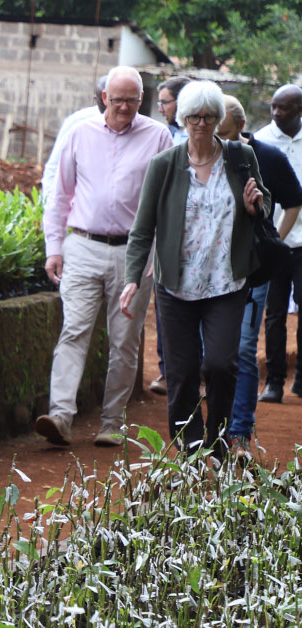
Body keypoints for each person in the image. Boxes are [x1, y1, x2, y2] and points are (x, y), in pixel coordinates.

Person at [122, 81, 270, 453]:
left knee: (221, 364)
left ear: (219, 119)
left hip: (226, 282)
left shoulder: (240, 157)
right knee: (182, 372)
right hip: (175, 286)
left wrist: (256, 205)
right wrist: (132, 280)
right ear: (183, 119)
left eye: (208, 116)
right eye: (193, 117)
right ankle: (189, 449)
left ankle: (218, 442)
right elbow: (142, 229)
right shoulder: (164, 166)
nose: (201, 124)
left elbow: (260, 202)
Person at [35, 66, 173, 448]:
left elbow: (166, 202)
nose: (123, 106)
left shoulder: (159, 136)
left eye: (131, 99)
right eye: (117, 99)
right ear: (104, 98)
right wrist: (54, 248)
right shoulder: (80, 132)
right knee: (73, 330)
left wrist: (153, 257)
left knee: (124, 340)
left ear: (141, 100)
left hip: (134, 252)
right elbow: (60, 194)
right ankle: (60, 416)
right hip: (82, 245)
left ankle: (112, 421)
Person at [217, 94, 302, 454]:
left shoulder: (266, 156)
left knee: (247, 345)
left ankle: (239, 433)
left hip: (259, 263)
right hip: (211, 271)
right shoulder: (199, 155)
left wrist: (272, 242)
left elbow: (293, 201)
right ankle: (215, 430)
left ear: (239, 126)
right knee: (219, 353)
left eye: (222, 131)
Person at [256, 84, 302, 403]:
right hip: (273, 243)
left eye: (283, 108)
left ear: (299, 110)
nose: (276, 113)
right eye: (273, 106)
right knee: (273, 313)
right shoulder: (260, 141)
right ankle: (273, 381)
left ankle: (301, 378)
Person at [149, 75, 193, 396]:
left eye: (165, 101)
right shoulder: (160, 136)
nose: (161, 108)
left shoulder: (204, 138)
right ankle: (168, 371)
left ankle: (198, 371)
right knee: (166, 304)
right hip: (166, 234)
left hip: (201, 236)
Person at [41, 76, 107, 205]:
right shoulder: (79, 122)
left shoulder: (144, 130)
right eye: (102, 101)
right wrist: (50, 205)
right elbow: (54, 168)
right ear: (97, 99)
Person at [158, 76, 191, 144]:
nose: (160, 110)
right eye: (160, 104)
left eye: (164, 103)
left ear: (181, 102)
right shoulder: (165, 135)